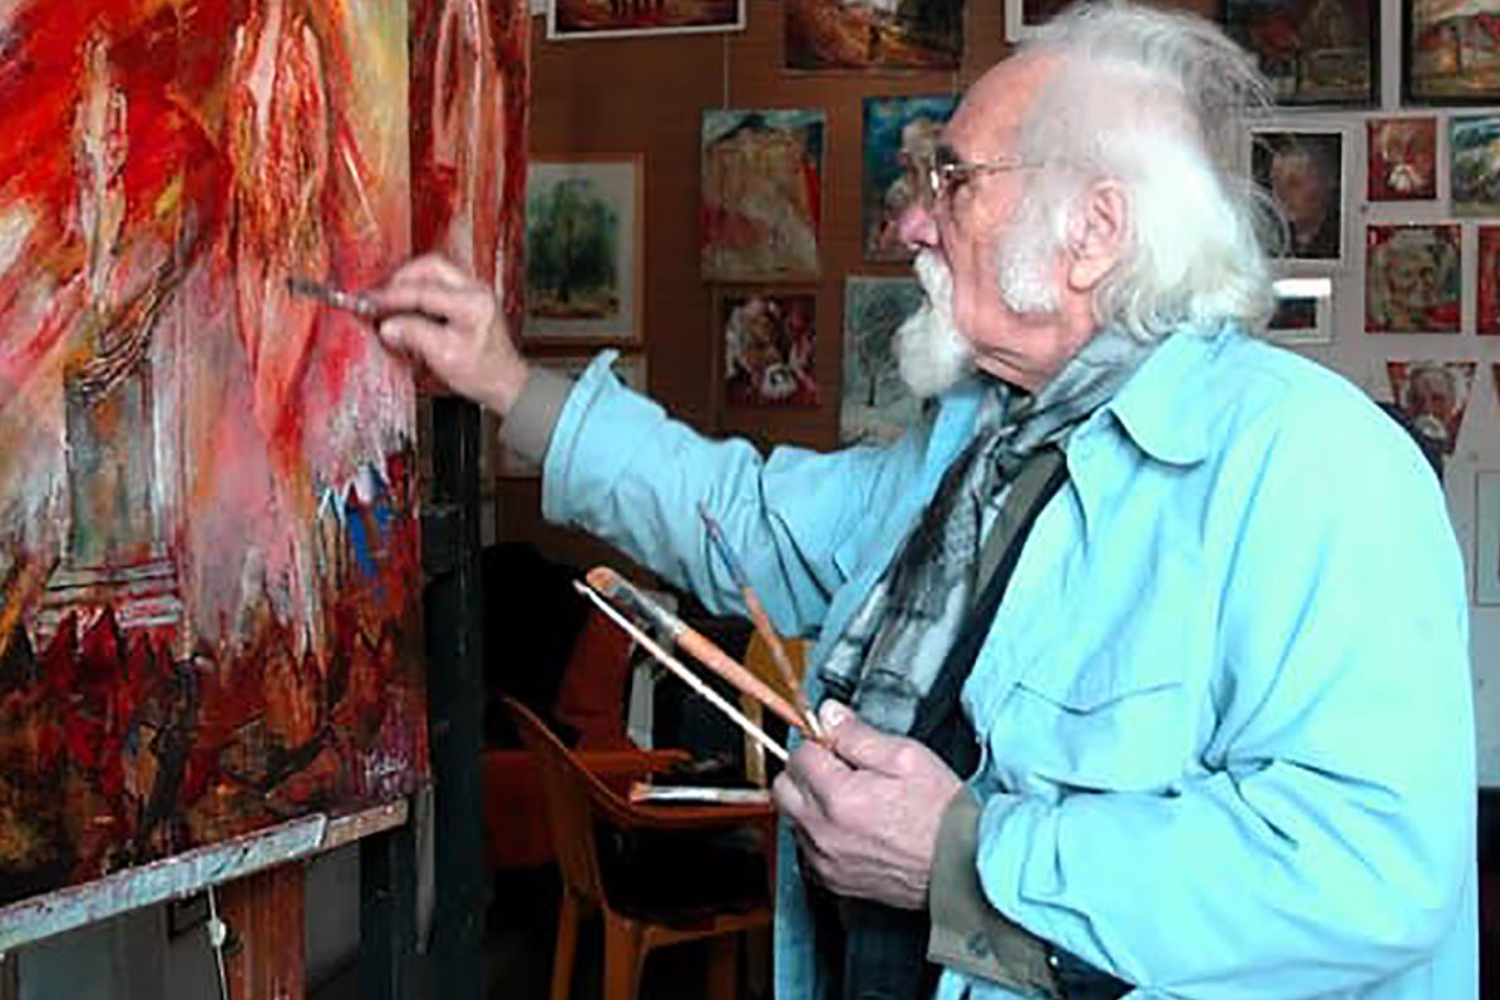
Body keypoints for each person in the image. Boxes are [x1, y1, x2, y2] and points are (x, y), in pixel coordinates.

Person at [369, 3, 1475, 998]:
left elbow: (1367, 873)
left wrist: (964, 855)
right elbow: (745, 520)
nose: (909, 222)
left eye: (952, 180)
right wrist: (506, 383)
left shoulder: (1313, 461)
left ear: (1093, 232)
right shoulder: (977, 443)